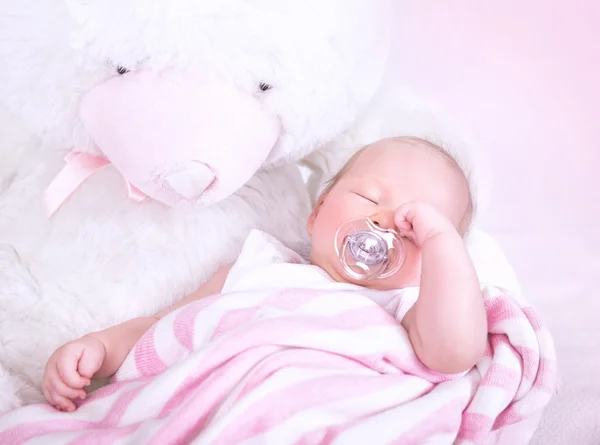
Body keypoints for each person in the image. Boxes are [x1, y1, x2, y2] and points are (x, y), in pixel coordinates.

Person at [42, 136, 488, 412]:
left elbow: (453, 352)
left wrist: (442, 244)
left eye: (418, 227)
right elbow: (162, 328)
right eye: (370, 198)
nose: (388, 223)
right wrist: (99, 347)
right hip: (222, 407)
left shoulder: (405, 310)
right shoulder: (258, 266)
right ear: (317, 214)